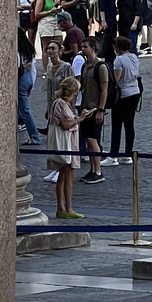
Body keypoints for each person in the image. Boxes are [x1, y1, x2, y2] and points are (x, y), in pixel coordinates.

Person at [46, 74, 84, 220]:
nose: (76, 94)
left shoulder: (62, 103)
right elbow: (64, 124)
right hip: (66, 144)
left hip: (68, 143)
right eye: (75, 91)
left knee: (63, 175)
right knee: (67, 175)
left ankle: (63, 208)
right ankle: (67, 208)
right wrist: (80, 119)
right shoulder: (61, 104)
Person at [77, 39, 108, 182]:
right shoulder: (85, 66)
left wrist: (101, 110)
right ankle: (92, 169)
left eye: (85, 47)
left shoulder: (100, 67)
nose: (82, 49)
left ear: (93, 48)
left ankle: (98, 171)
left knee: (92, 139)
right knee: (89, 140)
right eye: (82, 46)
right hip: (85, 108)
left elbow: (104, 90)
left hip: (95, 108)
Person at [110, 36, 140, 162]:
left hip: (123, 94)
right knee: (129, 124)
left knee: (116, 125)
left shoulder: (119, 60)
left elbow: (116, 79)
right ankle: (128, 153)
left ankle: (114, 154)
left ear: (117, 47)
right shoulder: (134, 57)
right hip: (135, 91)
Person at [17, 28, 40, 144]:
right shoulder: (28, 49)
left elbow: (17, 65)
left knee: (25, 109)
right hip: (29, 77)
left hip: (22, 78)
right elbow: (33, 69)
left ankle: (34, 136)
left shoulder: (18, 50)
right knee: (23, 107)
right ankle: (20, 122)